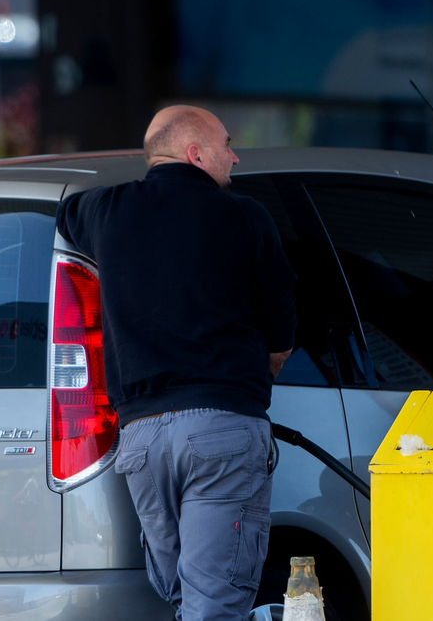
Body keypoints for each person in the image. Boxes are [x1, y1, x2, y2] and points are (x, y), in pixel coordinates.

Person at [55, 105, 297, 620]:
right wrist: (246, 387)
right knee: (215, 604)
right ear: (196, 154)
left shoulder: (106, 211)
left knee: (188, 600)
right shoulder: (247, 217)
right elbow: (281, 340)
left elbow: (65, 212)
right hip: (220, 432)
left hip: (140, 443)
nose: (234, 156)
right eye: (227, 145)